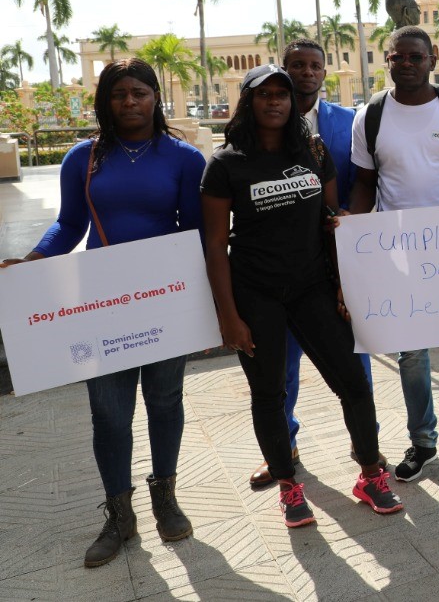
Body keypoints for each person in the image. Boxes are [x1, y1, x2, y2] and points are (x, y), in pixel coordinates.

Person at [1, 59, 206, 567]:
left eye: (139, 93)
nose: (130, 102)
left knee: (164, 401)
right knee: (109, 414)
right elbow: (69, 224)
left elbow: (198, 232)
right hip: (103, 304)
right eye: (119, 95)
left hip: (164, 300)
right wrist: (30, 263)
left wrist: (204, 304)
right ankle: (119, 513)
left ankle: (165, 495)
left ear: (155, 97)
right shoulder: (82, 158)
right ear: (105, 102)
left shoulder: (183, 158)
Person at [202, 64, 401, 527]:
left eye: (282, 94)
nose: (274, 101)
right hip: (256, 292)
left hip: (312, 286)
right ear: (248, 102)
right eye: (264, 94)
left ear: (293, 102)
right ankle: (290, 487)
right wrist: (228, 315)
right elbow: (214, 244)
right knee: (270, 391)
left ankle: (370, 475)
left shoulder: (313, 151)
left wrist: (344, 287)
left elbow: (332, 222)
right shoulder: (226, 163)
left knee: (353, 381)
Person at [348, 26, 439, 487]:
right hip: (398, 251)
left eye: (416, 56)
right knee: (411, 355)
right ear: (386, 60)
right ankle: (423, 442)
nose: (406, 64)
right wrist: (349, 230)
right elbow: (366, 184)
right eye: (397, 57)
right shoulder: (369, 116)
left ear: (433, 59)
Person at [246, 38, 384, 488]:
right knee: (282, 365)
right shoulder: (256, 134)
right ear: (283, 74)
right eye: (297, 66)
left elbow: (368, 179)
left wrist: (352, 220)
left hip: (343, 261)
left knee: (353, 358)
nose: (306, 73)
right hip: (283, 268)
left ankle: (367, 447)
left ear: (325, 73)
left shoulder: (350, 123)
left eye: (314, 66)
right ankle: (282, 447)